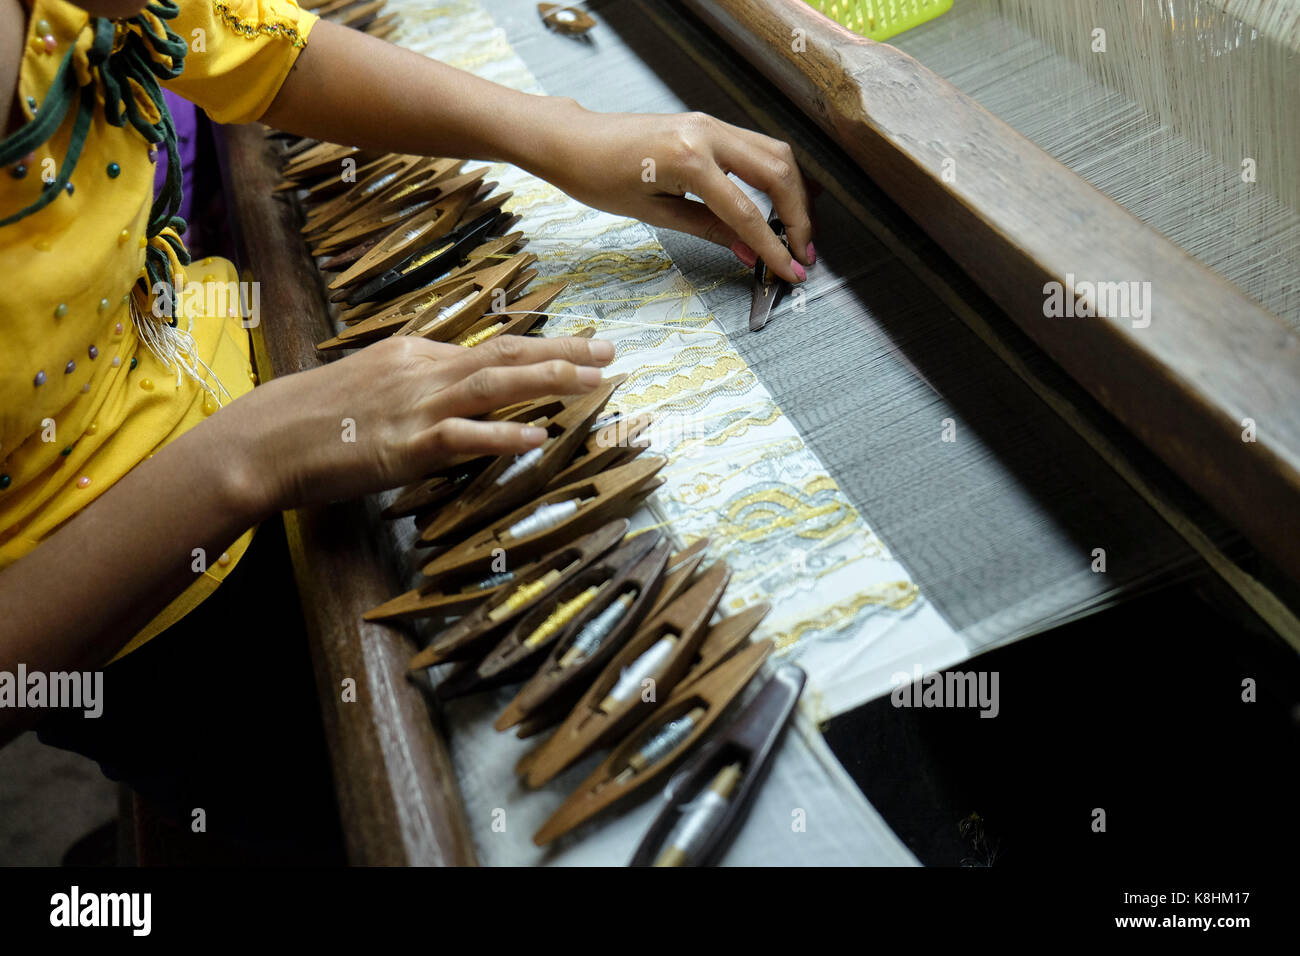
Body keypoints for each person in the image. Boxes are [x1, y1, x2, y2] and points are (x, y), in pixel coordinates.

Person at [0, 0, 813, 857]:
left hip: (230, 374)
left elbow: (248, 42)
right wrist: (247, 457)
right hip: (143, 624)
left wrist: (560, 134)